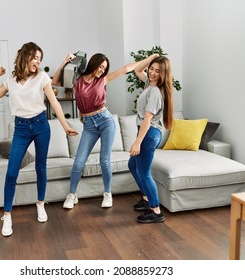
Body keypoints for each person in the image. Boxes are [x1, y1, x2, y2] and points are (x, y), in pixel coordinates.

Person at [0, 42, 77, 237]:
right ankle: (7, 215)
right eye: (35, 57)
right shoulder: (10, 81)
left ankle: (40, 203)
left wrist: (66, 126)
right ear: (25, 56)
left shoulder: (42, 77)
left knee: (41, 167)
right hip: (21, 128)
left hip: (40, 125)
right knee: (11, 173)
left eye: (39, 58)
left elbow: (54, 104)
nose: (38, 61)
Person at [52, 53, 143, 209]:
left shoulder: (103, 80)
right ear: (93, 64)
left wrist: (149, 59)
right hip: (89, 125)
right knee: (78, 163)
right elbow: (54, 81)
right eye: (100, 67)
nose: (102, 70)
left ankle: (107, 194)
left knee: (104, 161)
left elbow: (126, 68)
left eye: (105, 68)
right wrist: (65, 61)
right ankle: (72, 195)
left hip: (106, 121)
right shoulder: (77, 80)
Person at [128, 54, 174, 223]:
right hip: (148, 132)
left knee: (144, 172)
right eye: (152, 69)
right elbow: (137, 69)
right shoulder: (150, 84)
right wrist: (152, 58)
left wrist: (137, 142)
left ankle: (155, 211)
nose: (153, 73)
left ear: (164, 74)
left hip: (149, 133)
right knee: (132, 165)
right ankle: (147, 199)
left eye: (157, 71)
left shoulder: (155, 92)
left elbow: (147, 119)